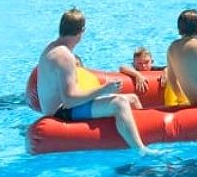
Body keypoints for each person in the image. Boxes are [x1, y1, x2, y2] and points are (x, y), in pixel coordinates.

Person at [37, 9, 148, 152]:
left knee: (132, 98)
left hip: (63, 108)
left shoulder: (52, 48)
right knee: (119, 103)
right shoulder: (64, 56)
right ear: (81, 32)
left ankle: (142, 135)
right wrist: (104, 89)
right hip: (61, 113)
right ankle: (141, 150)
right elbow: (69, 100)